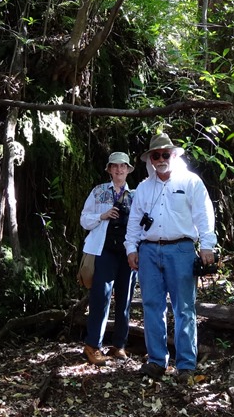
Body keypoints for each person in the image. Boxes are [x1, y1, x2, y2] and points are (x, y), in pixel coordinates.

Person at [124, 133, 217, 383]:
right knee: (152, 306)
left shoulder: (190, 182)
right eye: (156, 155)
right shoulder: (144, 187)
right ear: (150, 159)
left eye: (166, 154)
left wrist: (207, 246)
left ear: (174, 155)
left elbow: (204, 214)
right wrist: (131, 249)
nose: (161, 159)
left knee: (184, 308)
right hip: (149, 250)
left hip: (182, 250)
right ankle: (156, 361)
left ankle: (186, 364)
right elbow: (134, 221)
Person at [79, 151, 138, 366]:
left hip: (127, 251)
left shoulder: (136, 195)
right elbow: (84, 220)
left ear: (128, 170)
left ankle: (119, 345)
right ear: (110, 169)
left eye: (123, 166)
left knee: (125, 298)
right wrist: (102, 216)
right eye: (115, 166)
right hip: (103, 250)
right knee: (100, 296)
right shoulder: (99, 192)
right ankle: (93, 345)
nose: (119, 170)